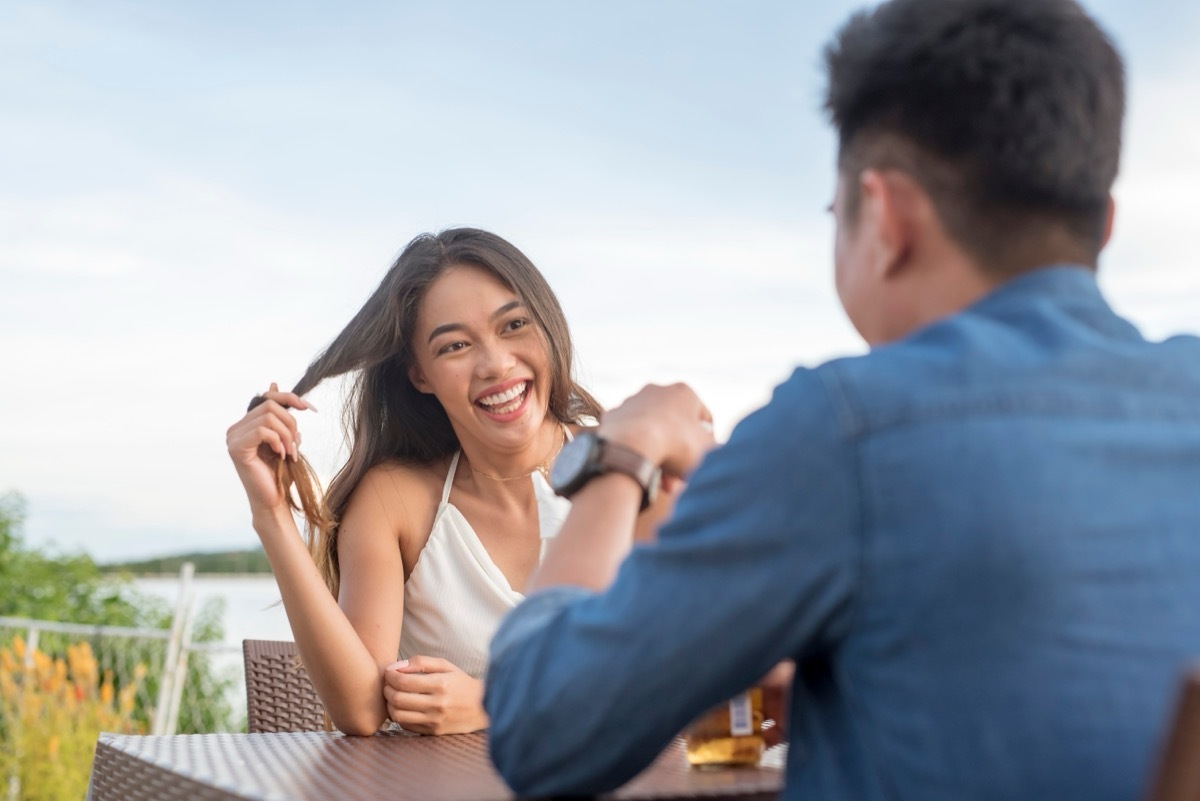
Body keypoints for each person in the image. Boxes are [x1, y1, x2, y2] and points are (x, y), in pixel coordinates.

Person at [482, 1, 1200, 799]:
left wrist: (615, 458)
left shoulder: (845, 430)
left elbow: (537, 728)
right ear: (1102, 224)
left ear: (886, 217)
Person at [226, 227, 611, 736]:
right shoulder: (397, 501)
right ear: (420, 375)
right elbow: (361, 711)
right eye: (455, 346)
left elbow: (683, 671)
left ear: (549, 324)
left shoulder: (627, 467)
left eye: (514, 324)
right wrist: (272, 513)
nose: (496, 364)